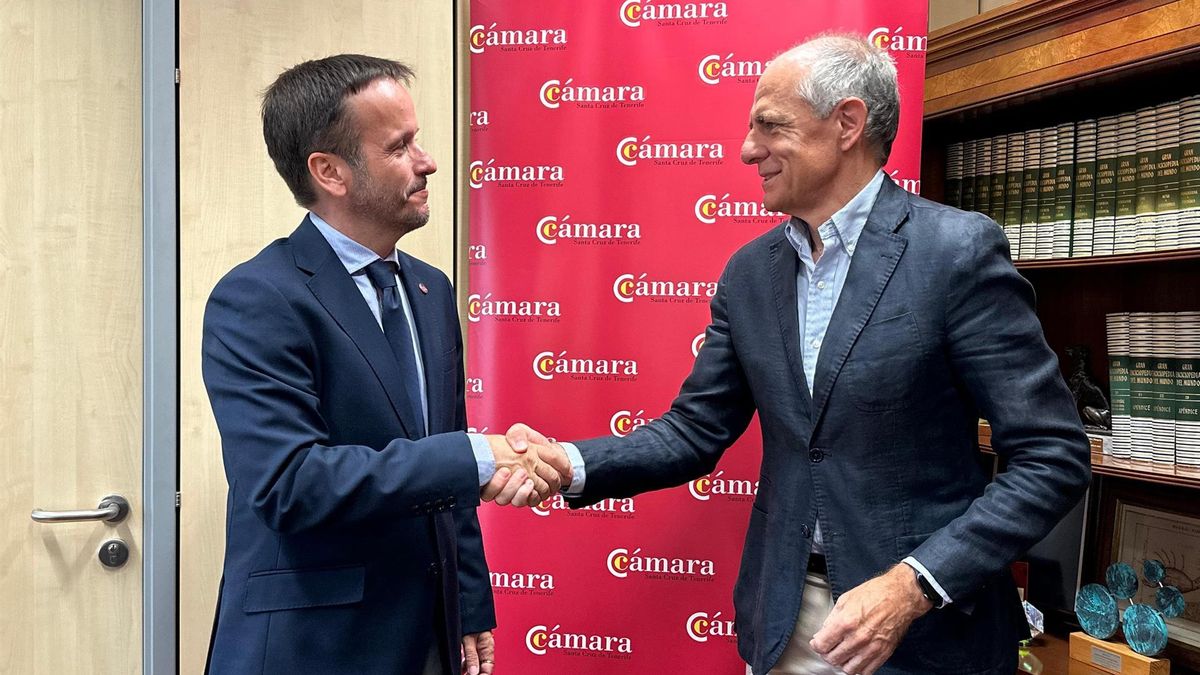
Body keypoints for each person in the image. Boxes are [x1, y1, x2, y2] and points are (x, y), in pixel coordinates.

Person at [508, 34, 1091, 675]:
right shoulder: (749, 275)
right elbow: (695, 430)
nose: (746, 149)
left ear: (847, 123)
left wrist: (913, 584)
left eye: (770, 125)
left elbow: (1051, 456)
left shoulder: (955, 253)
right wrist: (568, 462)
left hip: (926, 633)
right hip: (784, 621)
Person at [201, 54, 570, 675]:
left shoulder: (430, 289)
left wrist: (470, 602)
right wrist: (479, 456)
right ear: (330, 172)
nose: (427, 162)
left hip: (428, 635)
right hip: (312, 646)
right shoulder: (258, 298)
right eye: (400, 147)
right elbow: (289, 485)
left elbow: (447, 466)